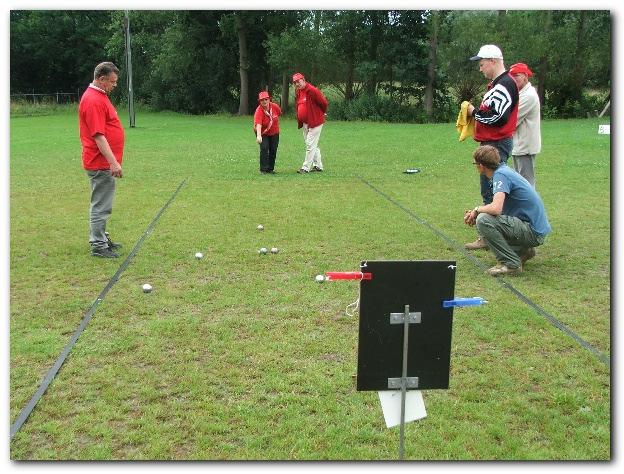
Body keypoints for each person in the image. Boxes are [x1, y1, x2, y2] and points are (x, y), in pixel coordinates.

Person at [463, 145, 551, 276]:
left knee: (483, 220)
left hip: (533, 231)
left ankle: (510, 264)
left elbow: (496, 208)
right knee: (485, 216)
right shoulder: (503, 171)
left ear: (481, 166)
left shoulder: (500, 176)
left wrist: (477, 210)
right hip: (534, 228)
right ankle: (522, 251)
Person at [465, 44, 519, 250]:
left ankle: (494, 236)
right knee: (489, 189)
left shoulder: (504, 84)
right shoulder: (498, 84)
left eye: (482, 64)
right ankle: (489, 236)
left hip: (497, 144)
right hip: (491, 143)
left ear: (493, 61)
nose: (480, 69)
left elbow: (497, 117)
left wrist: (473, 112)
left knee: (494, 191)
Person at [78, 62, 125, 258]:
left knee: (103, 203)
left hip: (103, 162)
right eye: (112, 81)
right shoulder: (93, 100)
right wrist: (113, 162)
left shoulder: (100, 96)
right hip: (100, 162)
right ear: (101, 79)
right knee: (101, 205)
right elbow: (98, 135)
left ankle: (102, 238)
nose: (115, 85)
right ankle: (98, 245)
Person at [509, 62, 541, 188]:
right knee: (521, 183)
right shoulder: (520, 94)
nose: (513, 78)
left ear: (525, 76)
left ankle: (532, 208)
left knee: (527, 184)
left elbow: (512, 120)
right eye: (511, 76)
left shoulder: (529, 95)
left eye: (516, 75)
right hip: (519, 145)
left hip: (525, 147)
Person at [292, 72, 328, 174]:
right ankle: (318, 166)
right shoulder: (298, 91)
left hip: (315, 121)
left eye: (298, 81)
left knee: (310, 144)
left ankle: (305, 167)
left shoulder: (312, 90)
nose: (297, 84)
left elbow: (324, 103)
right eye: (295, 83)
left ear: (303, 79)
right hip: (305, 123)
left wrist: (321, 113)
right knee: (311, 144)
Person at [253, 90, 281, 174]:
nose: (264, 101)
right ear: (260, 101)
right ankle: (263, 169)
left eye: (266, 99)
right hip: (262, 132)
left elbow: (278, 114)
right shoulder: (259, 111)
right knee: (264, 148)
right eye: (262, 100)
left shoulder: (275, 107)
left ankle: (270, 169)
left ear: (269, 99)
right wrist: (258, 136)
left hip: (274, 132)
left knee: (273, 149)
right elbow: (258, 124)